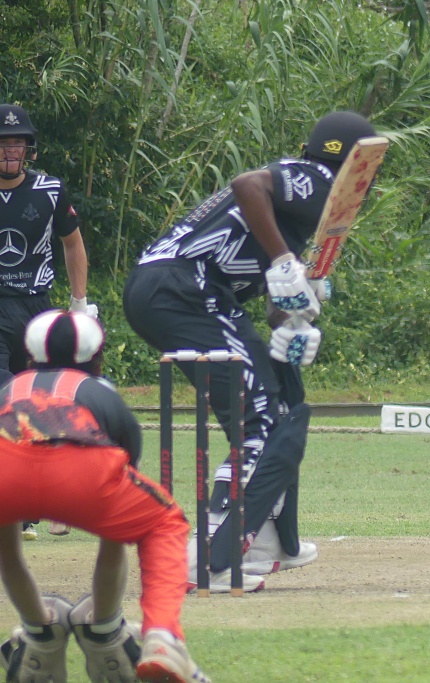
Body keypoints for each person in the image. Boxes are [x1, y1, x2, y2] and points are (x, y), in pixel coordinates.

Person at [123, 110, 379, 590]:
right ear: (347, 159)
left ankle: (270, 540)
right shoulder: (319, 177)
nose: (372, 178)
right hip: (184, 288)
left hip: (173, 289)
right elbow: (247, 183)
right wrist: (285, 261)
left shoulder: (300, 211)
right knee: (261, 423)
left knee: (279, 401)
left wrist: (294, 320)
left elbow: (273, 304)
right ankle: (210, 560)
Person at [0, 310, 210, 683]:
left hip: (6, 466)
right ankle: (155, 636)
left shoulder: (8, 389)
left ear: (29, 359)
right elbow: (123, 483)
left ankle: (40, 632)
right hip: (84, 469)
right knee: (164, 522)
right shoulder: (99, 391)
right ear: (97, 360)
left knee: (6, 544)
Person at [1, 103, 98, 542]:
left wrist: (79, 303)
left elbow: (72, 244)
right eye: (4, 144)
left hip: (36, 308)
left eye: (17, 142)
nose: (10, 151)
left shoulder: (50, 190)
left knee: (47, 399)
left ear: (30, 148)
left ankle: (51, 498)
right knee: (4, 397)